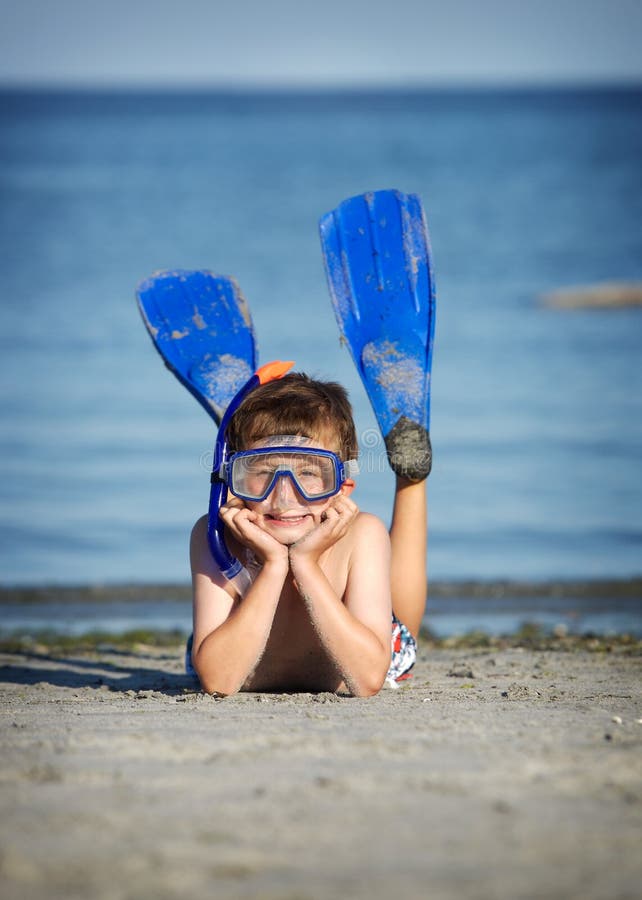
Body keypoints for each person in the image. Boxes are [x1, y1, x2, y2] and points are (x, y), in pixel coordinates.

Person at [188, 371, 428, 697]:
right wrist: (273, 566)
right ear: (234, 482)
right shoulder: (215, 538)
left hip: (375, 645)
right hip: (233, 637)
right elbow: (218, 681)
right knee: (204, 647)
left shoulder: (359, 536)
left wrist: (306, 564)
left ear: (343, 487)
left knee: (396, 628)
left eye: (310, 473)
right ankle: (245, 431)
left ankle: (410, 478)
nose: (285, 497)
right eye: (262, 471)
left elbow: (369, 679)